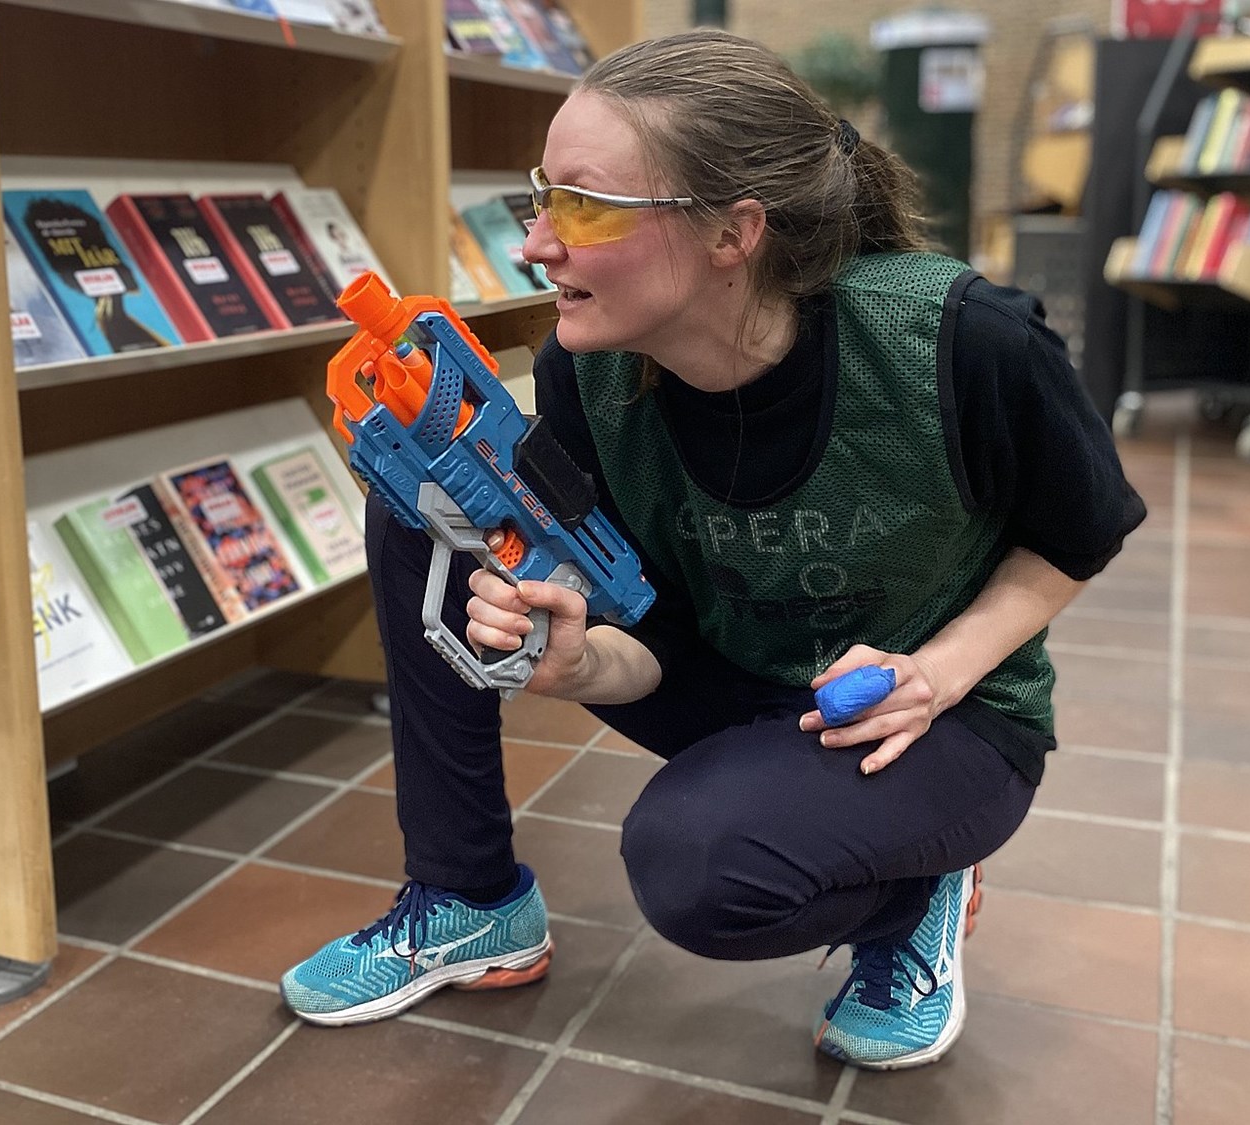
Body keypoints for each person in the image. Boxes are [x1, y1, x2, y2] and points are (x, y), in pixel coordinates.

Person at [280, 28, 1145, 1072]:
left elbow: (1079, 533)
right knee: (424, 492)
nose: (534, 243)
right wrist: (574, 661)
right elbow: (648, 635)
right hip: (733, 678)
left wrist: (935, 673)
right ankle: (469, 899)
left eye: (584, 205)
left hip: (935, 718)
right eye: (538, 195)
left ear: (733, 233)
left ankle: (920, 881)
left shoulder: (963, 340)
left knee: (696, 865)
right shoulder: (584, 371)